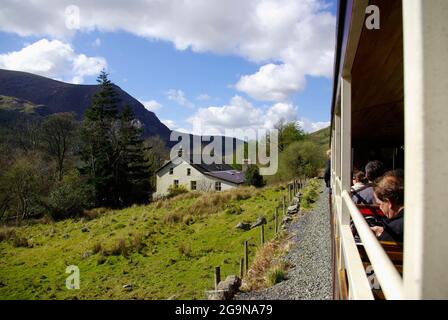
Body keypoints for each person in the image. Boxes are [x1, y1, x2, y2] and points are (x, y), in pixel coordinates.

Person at [371, 173, 404, 242]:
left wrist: (384, 234)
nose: (380, 207)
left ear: (389, 203)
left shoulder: (392, 231)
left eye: (380, 204)